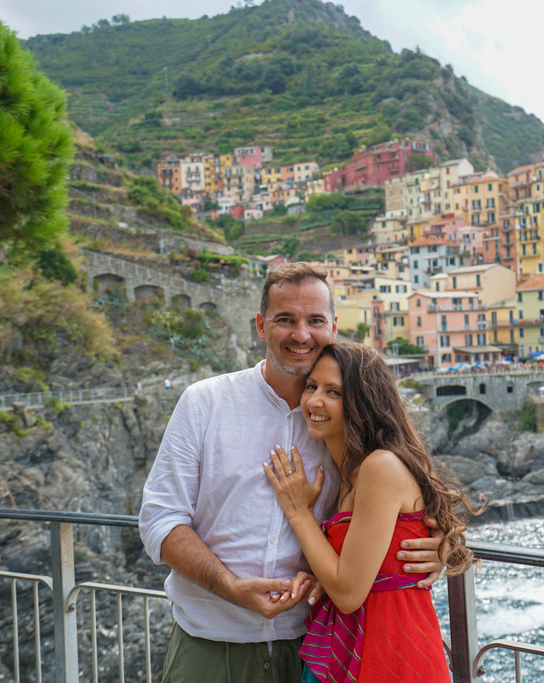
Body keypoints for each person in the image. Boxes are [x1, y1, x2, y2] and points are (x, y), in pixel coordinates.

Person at [138, 263, 443, 683]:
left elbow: (406, 498)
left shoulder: (342, 425)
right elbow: (160, 520)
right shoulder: (203, 404)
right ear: (261, 326)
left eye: (315, 321)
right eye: (285, 320)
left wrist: (440, 545)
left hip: (315, 649)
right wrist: (231, 587)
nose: (301, 334)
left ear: (333, 327)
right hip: (210, 647)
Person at [265, 343, 481, 683]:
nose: (314, 401)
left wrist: (298, 512)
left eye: (333, 391)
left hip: (393, 655)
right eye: (312, 386)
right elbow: (363, 568)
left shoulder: (380, 467)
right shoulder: (348, 476)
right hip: (368, 648)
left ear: (363, 402)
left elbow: (349, 593)